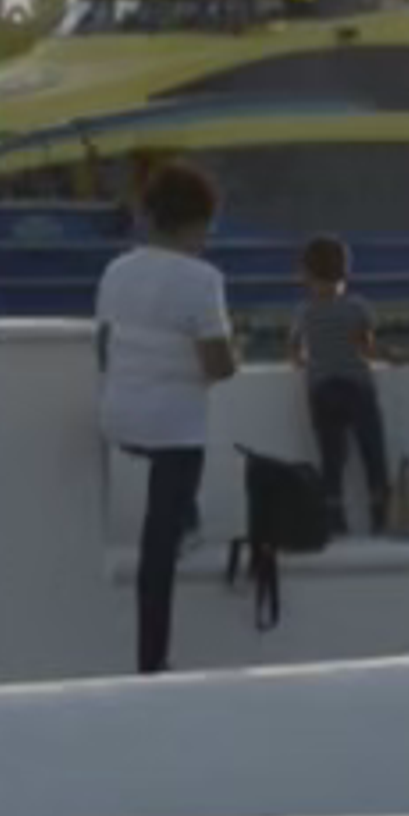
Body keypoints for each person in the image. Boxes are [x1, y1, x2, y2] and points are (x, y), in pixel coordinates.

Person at [94, 159, 237, 665]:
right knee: (157, 547)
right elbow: (218, 365)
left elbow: (104, 345)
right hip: (172, 428)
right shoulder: (202, 280)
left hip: (117, 418)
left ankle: (187, 521)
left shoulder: (116, 270)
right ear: (198, 223)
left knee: (171, 489)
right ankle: (152, 660)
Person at [291, 231, 393, 534]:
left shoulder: (303, 311)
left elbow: (295, 352)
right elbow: (366, 345)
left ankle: (336, 523)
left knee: (331, 459)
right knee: (373, 455)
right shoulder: (358, 307)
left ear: (307, 273)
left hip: (322, 388)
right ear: (345, 270)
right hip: (357, 385)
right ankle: (380, 519)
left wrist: (307, 363)